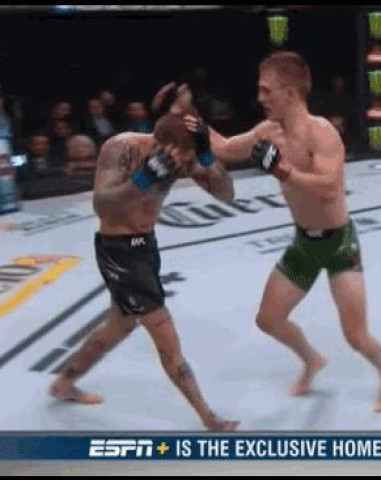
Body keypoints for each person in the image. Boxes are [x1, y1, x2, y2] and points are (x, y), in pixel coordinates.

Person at [188, 51, 381, 412]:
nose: (260, 98)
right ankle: (312, 359)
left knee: (356, 336)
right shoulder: (267, 132)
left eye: (266, 90)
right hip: (304, 243)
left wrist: (282, 170)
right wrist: (193, 124)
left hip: (339, 244)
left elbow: (329, 187)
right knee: (268, 320)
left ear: (289, 92)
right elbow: (227, 149)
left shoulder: (322, 133)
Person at [49, 103, 239, 431]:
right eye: (186, 158)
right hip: (119, 252)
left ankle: (63, 383)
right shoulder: (121, 148)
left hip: (146, 247)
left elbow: (226, 194)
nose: (187, 166)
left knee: (118, 326)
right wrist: (145, 177)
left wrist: (207, 156)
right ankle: (208, 417)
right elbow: (102, 204)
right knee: (167, 339)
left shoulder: (183, 158)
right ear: (165, 146)